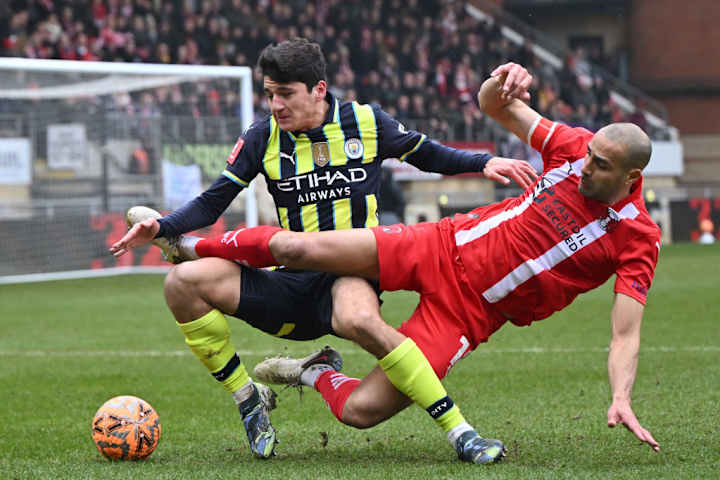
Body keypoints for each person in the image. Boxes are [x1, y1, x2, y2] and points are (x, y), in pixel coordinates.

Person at [124, 61, 664, 459]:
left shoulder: (639, 237)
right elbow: (494, 106)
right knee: (296, 245)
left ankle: (312, 374)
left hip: (473, 312)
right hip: (441, 244)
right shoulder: (572, 146)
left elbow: (625, 334)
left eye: (601, 164)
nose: (586, 166)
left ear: (631, 178)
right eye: (589, 155)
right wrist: (503, 85)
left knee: (360, 412)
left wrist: (621, 394)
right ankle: (184, 246)